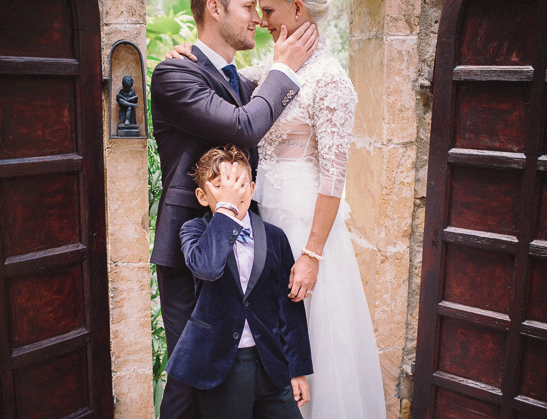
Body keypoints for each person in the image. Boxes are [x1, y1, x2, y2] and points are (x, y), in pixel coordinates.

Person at [168, 0, 387, 417]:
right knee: (262, 323)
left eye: (267, 10)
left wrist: (312, 254)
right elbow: (221, 81)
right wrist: (186, 52)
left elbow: (334, 178)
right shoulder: (268, 75)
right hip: (260, 219)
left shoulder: (330, 81)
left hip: (306, 228)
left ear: (298, 9)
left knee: (311, 332)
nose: (261, 20)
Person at [149, 0, 318, 417]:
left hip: (247, 244)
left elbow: (251, 108)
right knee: (190, 380)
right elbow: (245, 126)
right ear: (215, 8)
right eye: (247, 6)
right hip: (193, 251)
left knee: (248, 364)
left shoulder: (242, 84)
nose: (258, 18)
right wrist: (282, 69)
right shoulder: (174, 73)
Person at [168, 145, 313, 419]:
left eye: (241, 184)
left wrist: (298, 369)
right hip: (222, 367)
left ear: (253, 188)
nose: (234, 193)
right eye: (223, 186)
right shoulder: (194, 231)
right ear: (202, 196)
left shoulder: (275, 236)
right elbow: (207, 268)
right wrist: (225, 210)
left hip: (272, 364)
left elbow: (289, 307)